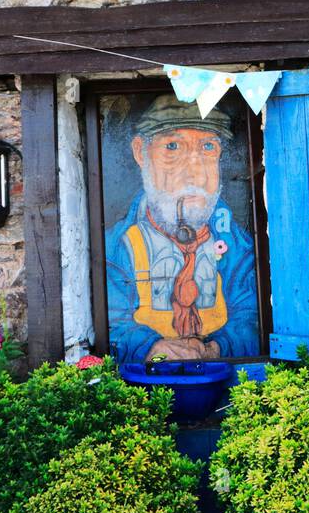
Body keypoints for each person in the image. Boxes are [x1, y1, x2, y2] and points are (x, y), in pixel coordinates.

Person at [104, 94, 258, 363]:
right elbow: (110, 325)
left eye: (208, 147)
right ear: (141, 152)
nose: (195, 173)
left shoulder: (238, 245)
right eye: (173, 147)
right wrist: (149, 347)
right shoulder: (117, 247)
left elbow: (253, 317)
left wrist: (218, 348)